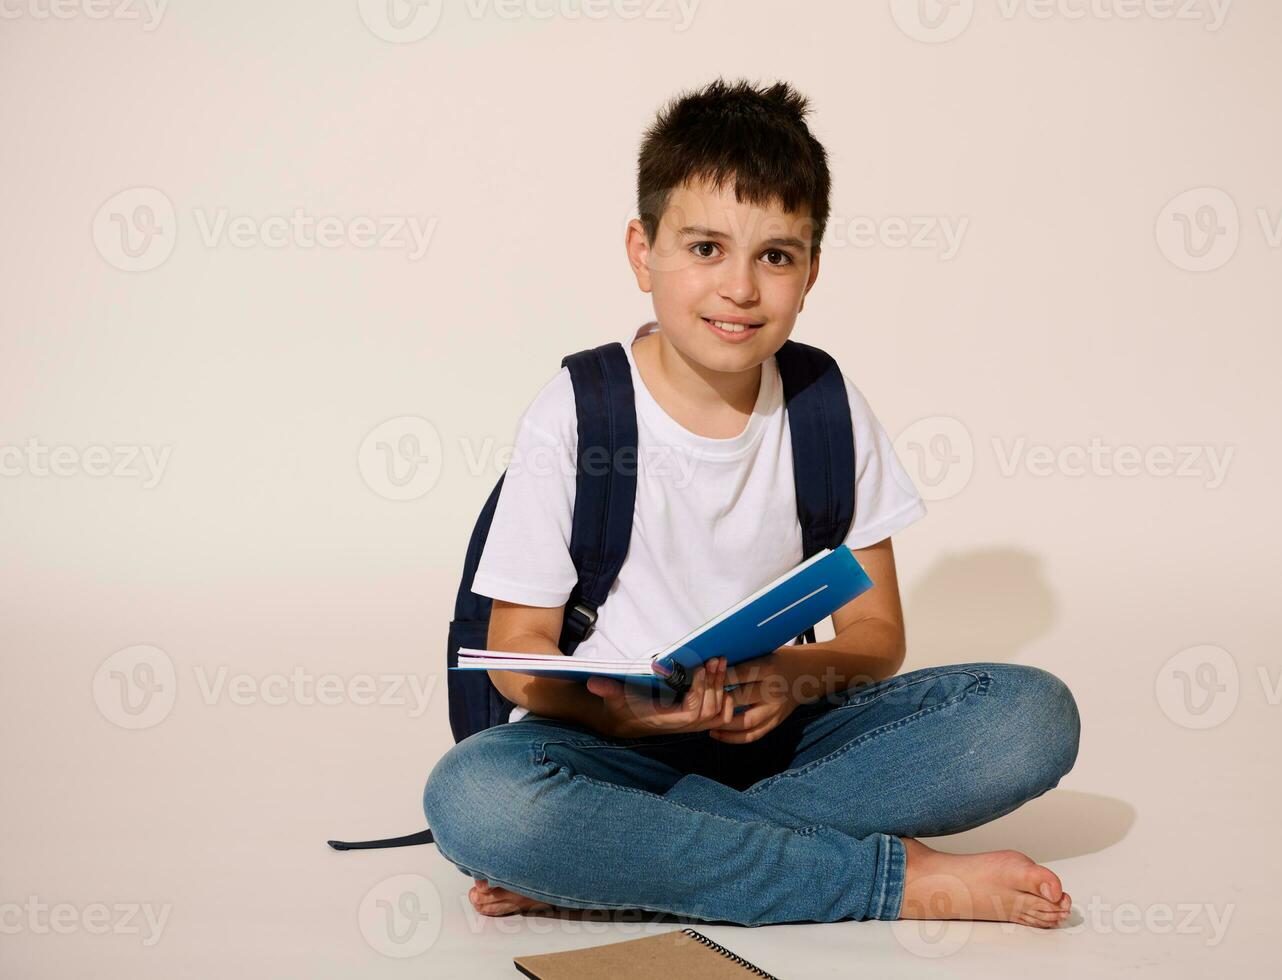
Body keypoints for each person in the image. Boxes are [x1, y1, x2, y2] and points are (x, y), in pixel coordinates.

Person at [423, 77, 1079, 929]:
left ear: (810, 273)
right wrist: (624, 712)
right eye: (704, 248)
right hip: (610, 749)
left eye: (775, 255)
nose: (740, 288)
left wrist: (790, 674)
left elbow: (875, 639)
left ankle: (619, 863)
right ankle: (889, 881)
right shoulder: (576, 413)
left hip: (781, 744)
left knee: (1030, 716)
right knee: (477, 800)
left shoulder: (822, 403)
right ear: (640, 250)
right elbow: (515, 652)